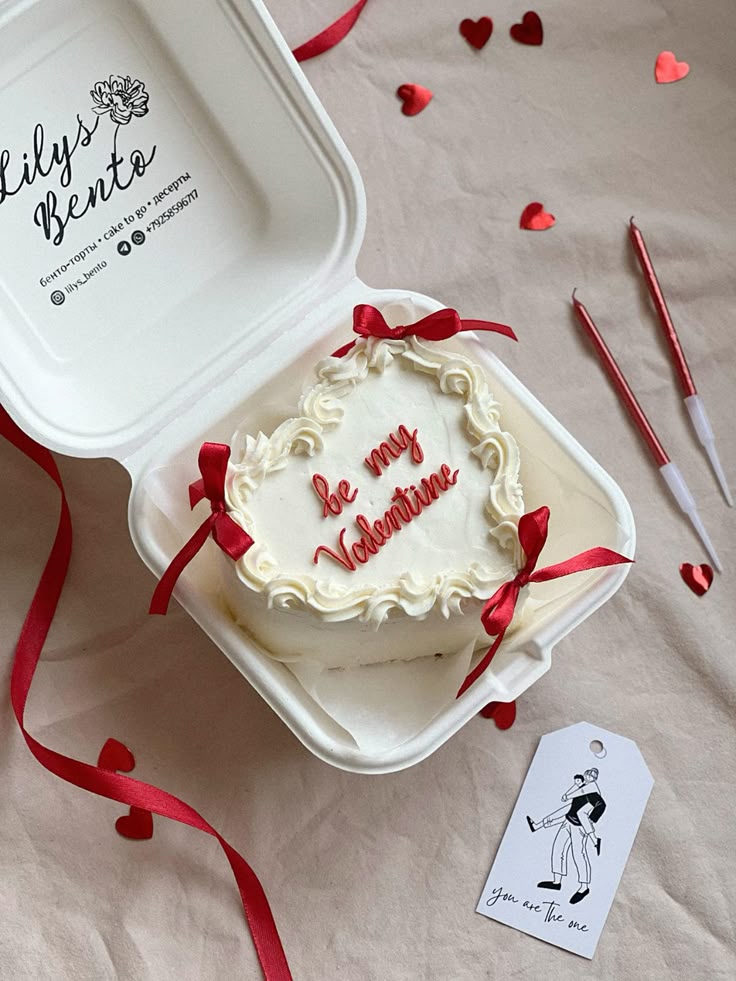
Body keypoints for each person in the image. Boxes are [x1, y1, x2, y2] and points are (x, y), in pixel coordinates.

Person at [526, 769, 606, 904]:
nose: (589, 777)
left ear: (595, 779)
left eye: (592, 776)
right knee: (558, 849)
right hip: (568, 822)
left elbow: (593, 804)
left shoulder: (592, 789)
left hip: (579, 827)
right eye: (588, 774)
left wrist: (591, 824)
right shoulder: (583, 787)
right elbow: (569, 805)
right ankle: (557, 882)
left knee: (578, 855)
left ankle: (584, 887)